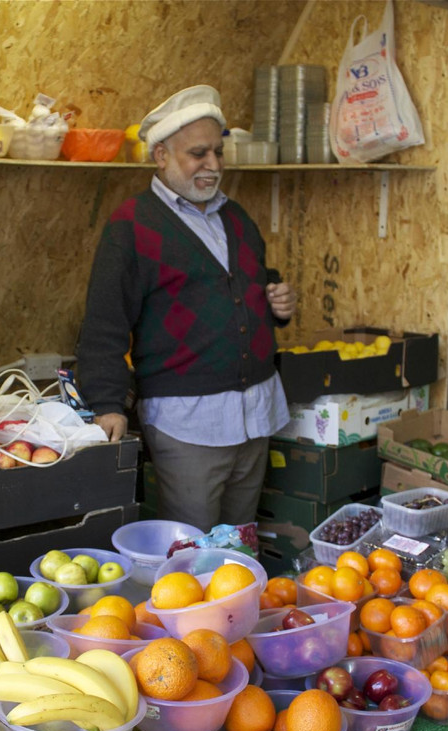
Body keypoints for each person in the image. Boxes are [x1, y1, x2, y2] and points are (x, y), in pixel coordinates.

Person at [76, 85, 298, 531]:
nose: (213, 165)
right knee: (193, 555)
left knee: (239, 547)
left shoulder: (236, 217)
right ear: (161, 156)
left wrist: (278, 302)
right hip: (189, 424)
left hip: (256, 413)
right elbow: (104, 323)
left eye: (218, 151)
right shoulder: (133, 226)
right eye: (198, 154)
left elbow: (252, 284)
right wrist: (107, 403)